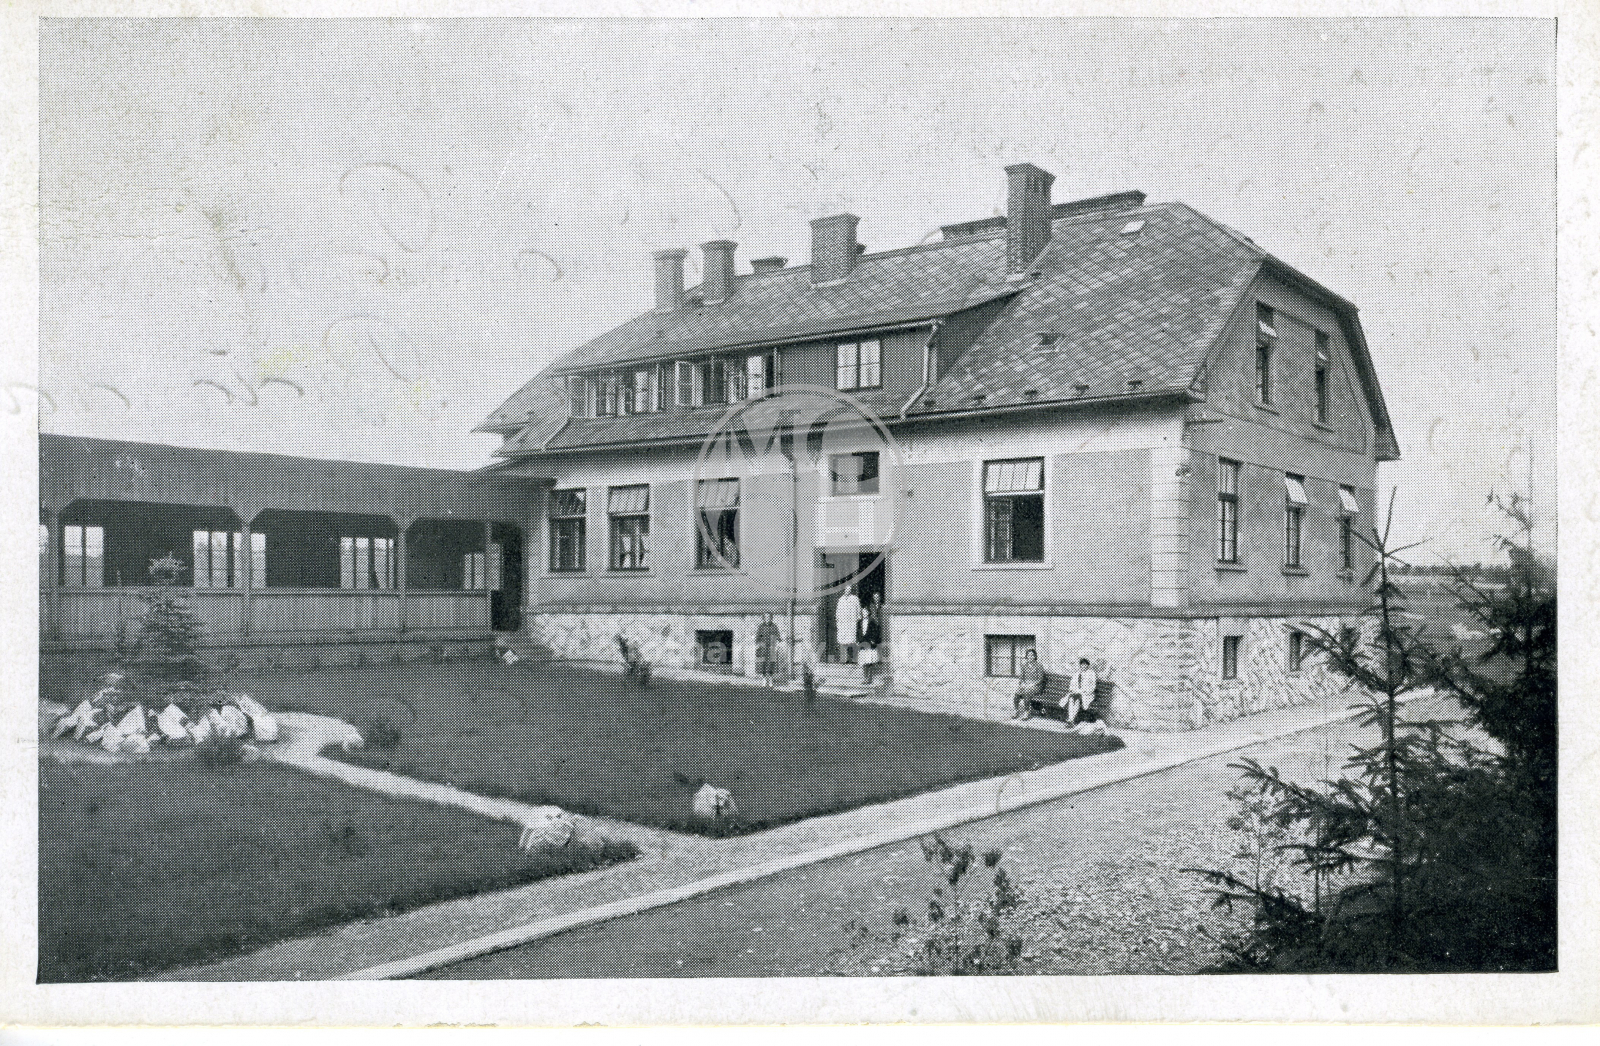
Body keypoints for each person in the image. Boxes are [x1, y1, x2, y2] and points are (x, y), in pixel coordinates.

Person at [1011, 648, 1046, 719]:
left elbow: (1040, 679)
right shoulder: (1024, 665)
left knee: (1027, 693)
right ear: (1026, 656)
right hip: (1025, 685)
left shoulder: (1039, 665)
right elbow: (1021, 677)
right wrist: (1023, 683)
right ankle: (1016, 711)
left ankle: (1026, 712)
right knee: (1017, 693)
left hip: (1036, 686)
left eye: (1032, 655)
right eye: (1028, 655)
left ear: (1035, 656)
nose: (1030, 657)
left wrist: (1032, 684)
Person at [1064, 657, 1098, 722]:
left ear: (1088, 665)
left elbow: (1093, 686)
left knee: (1078, 699)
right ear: (1080, 665)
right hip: (1077, 692)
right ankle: (1071, 718)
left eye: (1085, 664)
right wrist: (1072, 690)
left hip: (1087, 694)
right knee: (1071, 698)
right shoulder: (1077, 674)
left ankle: (1071, 719)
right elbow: (1072, 684)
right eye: (1082, 664)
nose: (1083, 666)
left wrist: (1086, 691)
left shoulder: (1091, 673)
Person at [835, 584, 861, 664]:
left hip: (851, 624)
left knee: (852, 642)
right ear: (844, 590)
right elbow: (838, 613)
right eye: (846, 589)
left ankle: (854, 659)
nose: (848, 591)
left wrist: (856, 621)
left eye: (849, 589)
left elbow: (859, 611)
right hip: (843, 625)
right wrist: (838, 623)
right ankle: (844, 659)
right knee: (843, 642)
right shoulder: (841, 600)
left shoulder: (855, 599)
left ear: (851, 590)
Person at [754, 613, 782, 688]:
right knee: (762, 663)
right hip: (763, 646)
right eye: (766, 617)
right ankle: (764, 679)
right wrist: (757, 645)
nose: (767, 618)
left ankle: (770, 679)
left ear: (771, 618)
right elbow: (757, 637)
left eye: (769, 617)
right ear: (764, 618)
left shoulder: (774, 626)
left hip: (772, 646)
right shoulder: (761, 627)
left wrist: (777, 645)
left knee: (771, 663)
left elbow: (778, 637)